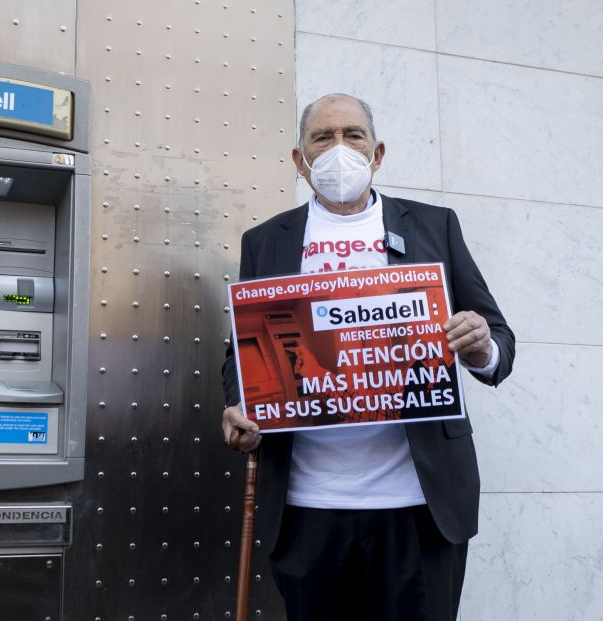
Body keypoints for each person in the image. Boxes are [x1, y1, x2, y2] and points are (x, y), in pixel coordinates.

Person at [221, 93, 515, 621]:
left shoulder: (434, 225)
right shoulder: (266, 241)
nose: (339, 149)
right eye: (322, 137)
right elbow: (243, 352)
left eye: (352, 136)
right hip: (307, 506)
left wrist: (481, 347)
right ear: (299, 159)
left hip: (419, 507)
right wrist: (240, 405)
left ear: (377, 153)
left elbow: (496, 337)